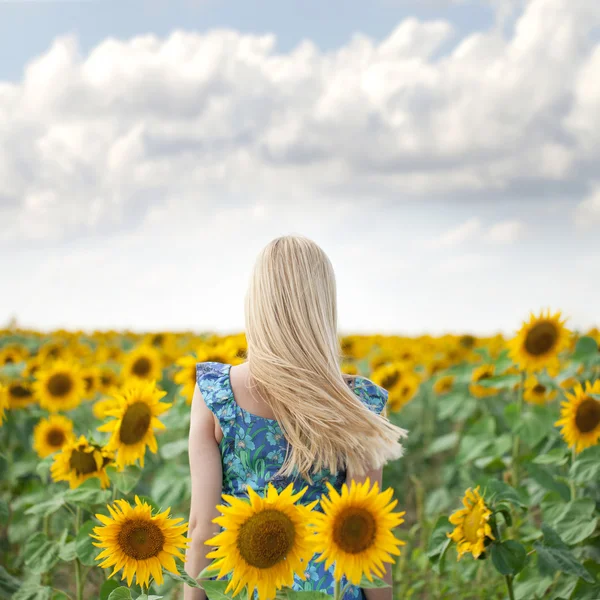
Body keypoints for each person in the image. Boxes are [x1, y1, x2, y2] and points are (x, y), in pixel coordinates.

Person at [184, 235, 407, 600]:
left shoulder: (216, 392)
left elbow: (202, 530)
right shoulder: (359, 401)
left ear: (257, 303)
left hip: (247, 586)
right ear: (323, 306)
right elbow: (366, 535)